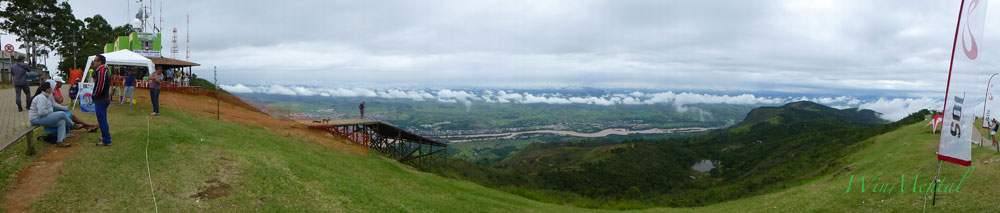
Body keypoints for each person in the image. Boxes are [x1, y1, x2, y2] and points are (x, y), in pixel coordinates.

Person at [28, 83, 72, 148]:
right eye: (51, 88)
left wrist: (50, 110)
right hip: (36, 119)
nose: (52, 90)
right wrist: (50, 111)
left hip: (42, 117)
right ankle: (72, 125)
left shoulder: (46, 96)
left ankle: (60, 142)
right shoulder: (41, 97)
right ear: (47, 89)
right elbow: (41, 112)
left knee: (61, 122)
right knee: (62, 114)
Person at [92, 54, 112, 146]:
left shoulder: (102, 71)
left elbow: (100, 85)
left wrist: (94, 95)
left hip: (101, 99)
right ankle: (105, 137)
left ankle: (106, 140)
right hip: (103, 98)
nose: (94, 61)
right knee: (102, 119)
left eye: (95, 60)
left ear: (100, 62)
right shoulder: (102, 70)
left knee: (102, 119)